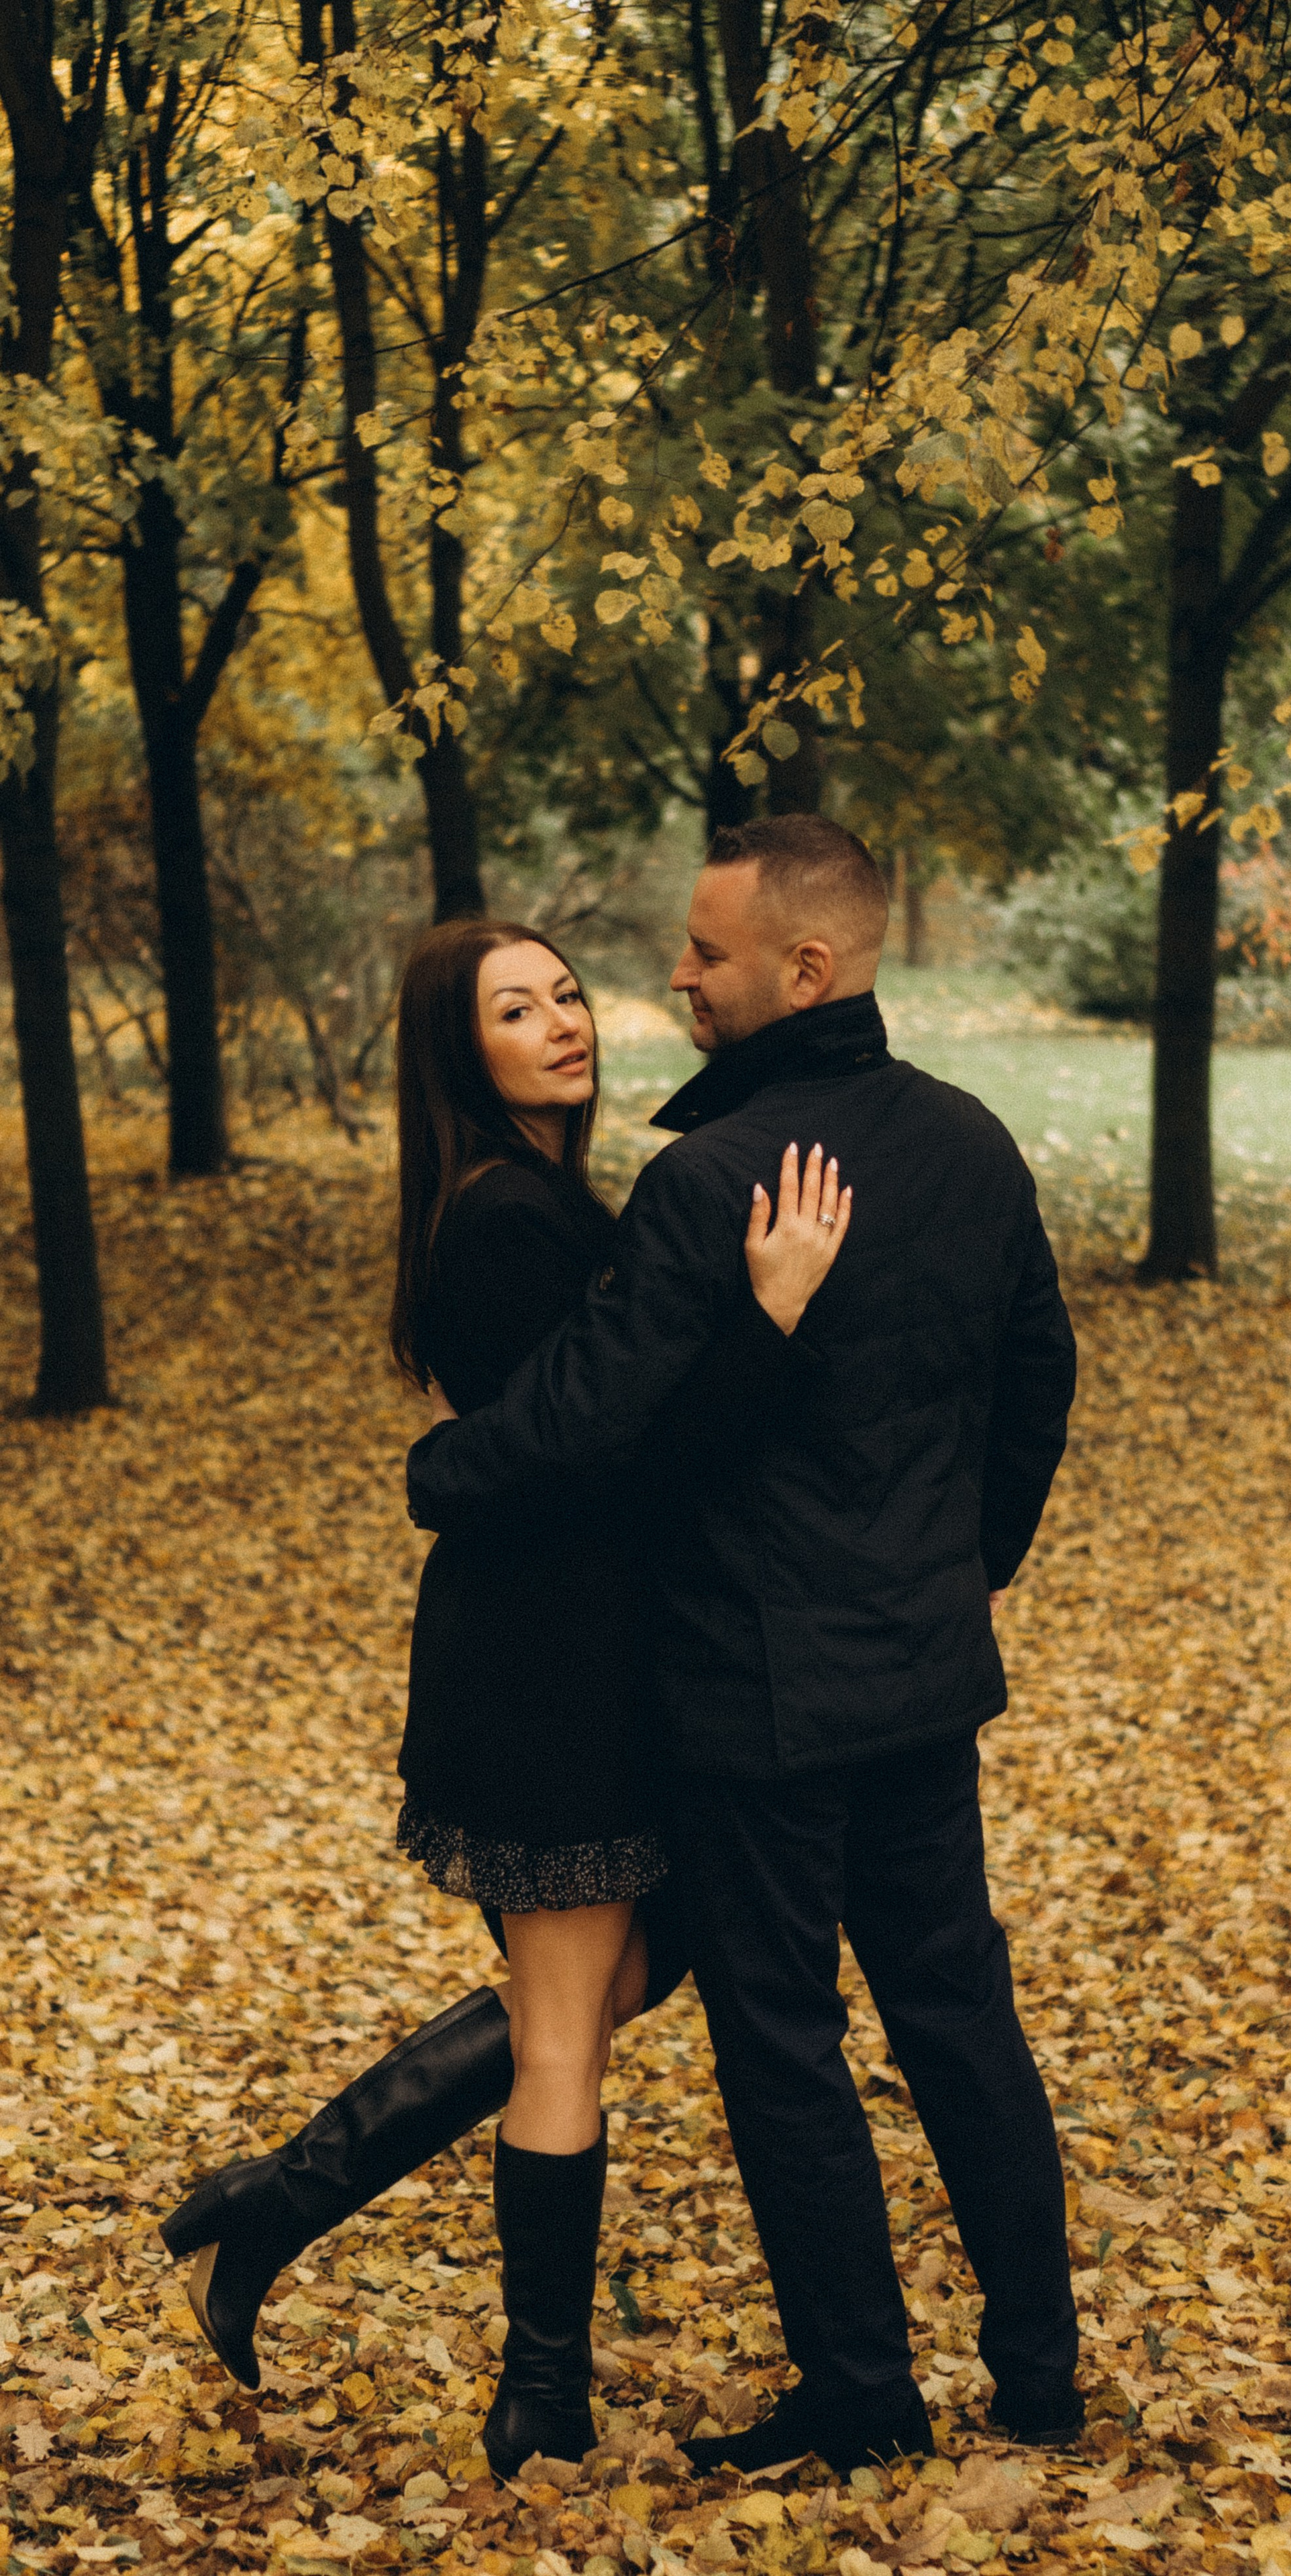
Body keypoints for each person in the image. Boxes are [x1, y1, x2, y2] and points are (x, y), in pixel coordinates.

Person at [407, 818, 1082, 2478]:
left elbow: (584, 1425)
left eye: (701, 955)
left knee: (786, 2047)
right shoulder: (971, 1142)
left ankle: (864, 2396)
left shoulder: (709, 1182)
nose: (675, 979)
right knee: (958, 2021)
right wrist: (966, 1569)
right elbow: (1036, 1383)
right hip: (919, 1683)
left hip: (753, 1697)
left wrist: (440, 1473)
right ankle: (1040, 2375)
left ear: (801, 968)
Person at [161, 920, 847, 2481]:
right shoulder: (506, 1223)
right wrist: (768, 1320)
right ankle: (536, 2400)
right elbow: (609, 1449)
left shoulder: (543, 1200)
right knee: (565, 2028)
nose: (560, 1024)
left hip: (573, 1653)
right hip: (552, 1672)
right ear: (454, 1051)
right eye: (512, 1009)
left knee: (610, 1984)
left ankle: (267, 2208)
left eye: (562, 995)